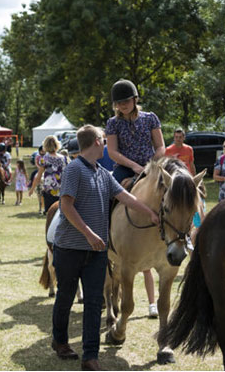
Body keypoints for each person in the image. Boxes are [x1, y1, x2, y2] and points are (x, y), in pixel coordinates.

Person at [50, 125, 159, 371]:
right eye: (104, 140)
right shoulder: (73, 169)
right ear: (98, 141)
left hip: (97, 251)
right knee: (66, 296)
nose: (108, 145)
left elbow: (127, 198)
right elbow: (66, 206)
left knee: (93, 301)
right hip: (69, 248)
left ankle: (90, 356)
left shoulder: (103, 173)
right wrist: (89, 234)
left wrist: (151, 213)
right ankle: (60, 341)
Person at [105, 79, 165, 318]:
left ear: (135, 99)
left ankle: (184, 233)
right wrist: (134, 167)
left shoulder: (151, 118)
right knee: (107, 194)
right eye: (118, 103)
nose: (122, 105)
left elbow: (161, 146)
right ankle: (104, 234)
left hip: (151, 167)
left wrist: (150, 166)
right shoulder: (112, 123)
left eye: (126, 101)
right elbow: (112, 152)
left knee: (176, 191)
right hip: (124, 167)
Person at [29, 135, 67, 215]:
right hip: (62, 190)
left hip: (49, 191)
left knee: (50, 215)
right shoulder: (64, 158)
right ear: (57, 145)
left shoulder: (44, 159)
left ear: (45, 146)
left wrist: (32, 189)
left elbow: (38, 176)